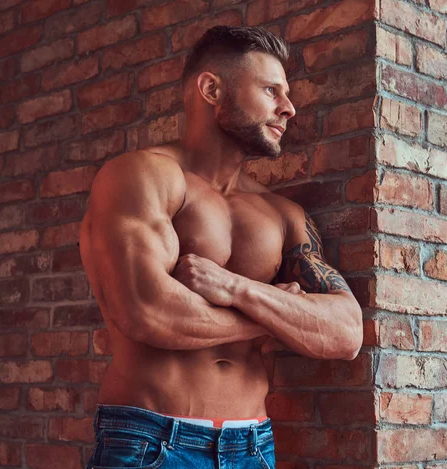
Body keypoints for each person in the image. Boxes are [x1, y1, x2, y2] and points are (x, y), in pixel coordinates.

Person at [80, 25, 363, 469]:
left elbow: (346, 333)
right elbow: (148, 312)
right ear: (212, 89)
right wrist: (275, 321)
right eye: (271, 90)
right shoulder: (142, 177)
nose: (288, 108)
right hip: (152, 440)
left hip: (253, 446)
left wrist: (236, 288)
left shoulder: (281, 213)